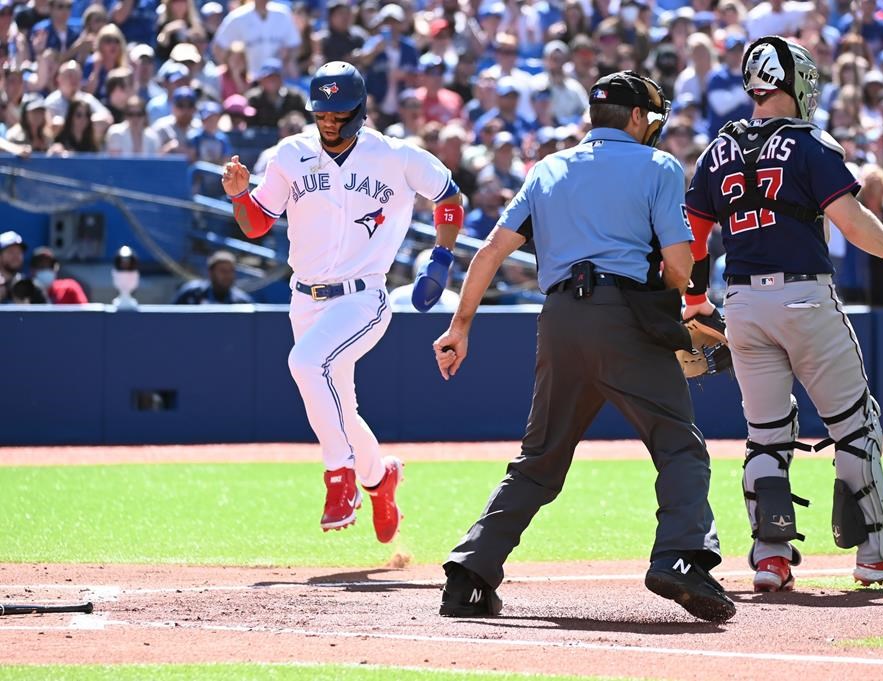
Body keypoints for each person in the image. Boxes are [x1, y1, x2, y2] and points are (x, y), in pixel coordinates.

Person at [432, 70, 735, 623]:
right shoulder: (659, 166)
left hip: (560, 321)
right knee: (679, 447)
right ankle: (681, 557)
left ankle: (470, 571)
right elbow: (677, 262)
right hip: (625, 321)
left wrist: (460, 327)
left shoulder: (548, 168)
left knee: (539, 461)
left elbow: (490, 252)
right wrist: (683, 307)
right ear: (639, 118)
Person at [683, 36, 883, 594]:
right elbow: (853, 225)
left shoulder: (720, 147)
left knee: (765, 437)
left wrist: (693, 303)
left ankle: (770, 558)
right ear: (795, 83)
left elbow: (695, 236)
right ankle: (878, 552)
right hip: (804, 297)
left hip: (742, 303)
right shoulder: (809, 143)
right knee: (856, 425)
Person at [221, 61, 463, 544]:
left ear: (361, 111)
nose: (329, 122)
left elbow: (450, 197)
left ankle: (340, 479)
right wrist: (238, 196)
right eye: (322, 114)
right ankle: (380, 478)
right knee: (341, 410)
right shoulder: (291, 153)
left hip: (363, 295)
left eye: (339, 113)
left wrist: (439, 262)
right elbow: (257, 223)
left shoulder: (394, 156)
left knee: (307, 365)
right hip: (304, 297)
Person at [173, 250, 253, 304]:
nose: (228, 275)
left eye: (231, 271)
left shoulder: (242, 302)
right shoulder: (190, 294)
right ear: (211, 272)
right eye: (223, 271)